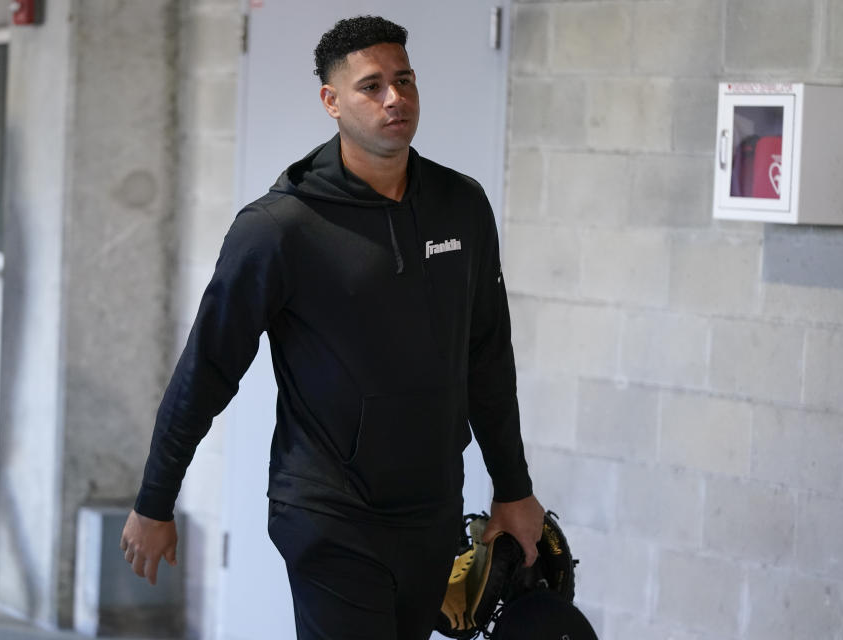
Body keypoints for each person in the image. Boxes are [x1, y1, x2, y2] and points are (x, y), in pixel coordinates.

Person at [120, 15, 545, 640]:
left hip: (431, 509)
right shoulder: (279, 228)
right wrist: (156, 500)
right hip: (328, 510)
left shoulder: (462, 206)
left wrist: (513, 488)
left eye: (404, 80)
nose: (394, 98)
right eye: (371, 86)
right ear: (331, 101)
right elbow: (207, 368)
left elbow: (486, 355)